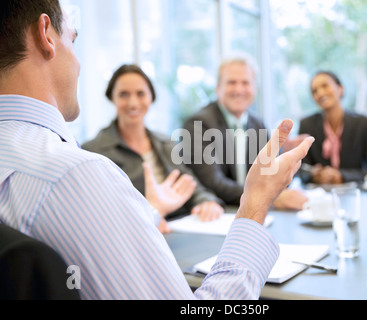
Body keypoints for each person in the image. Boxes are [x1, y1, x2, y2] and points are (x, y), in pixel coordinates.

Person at [0, 0, 315, 300]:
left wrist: (151, 210)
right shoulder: (76, 173)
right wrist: (257, 200)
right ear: (46, 36)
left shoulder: (161, 144)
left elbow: (194, 184)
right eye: (73, 39)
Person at [82, 64, 224, 224]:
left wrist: (207, 202)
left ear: (151, 98)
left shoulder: (165, 142)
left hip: (179, 227)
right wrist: (151, 219)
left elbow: (189, 183)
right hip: (138, 233)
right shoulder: (93, 152)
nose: (133, 103)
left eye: (141, 94)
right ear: (112, 98)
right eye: (123, 94)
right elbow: (102, 211)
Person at [183, 55, 309, 210]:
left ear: (254, 88)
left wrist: (285, 156)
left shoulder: (257, 123)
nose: (239, 90)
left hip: (255, 212)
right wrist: (267, 196)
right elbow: (213, 183)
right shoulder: (198, 124)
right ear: (218, 87)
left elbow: (269, 175)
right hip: (218, 213)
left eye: (245, 83)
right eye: (232, 82)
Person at [298, 71, 367, 185]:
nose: (320, 93)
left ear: (340, 89)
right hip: (319, 195)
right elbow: (301, 169)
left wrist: (343, 176)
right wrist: (314, 175)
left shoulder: (364, 123)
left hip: (355, 192)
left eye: (325, 86)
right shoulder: (307, 125)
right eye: (314, 91)